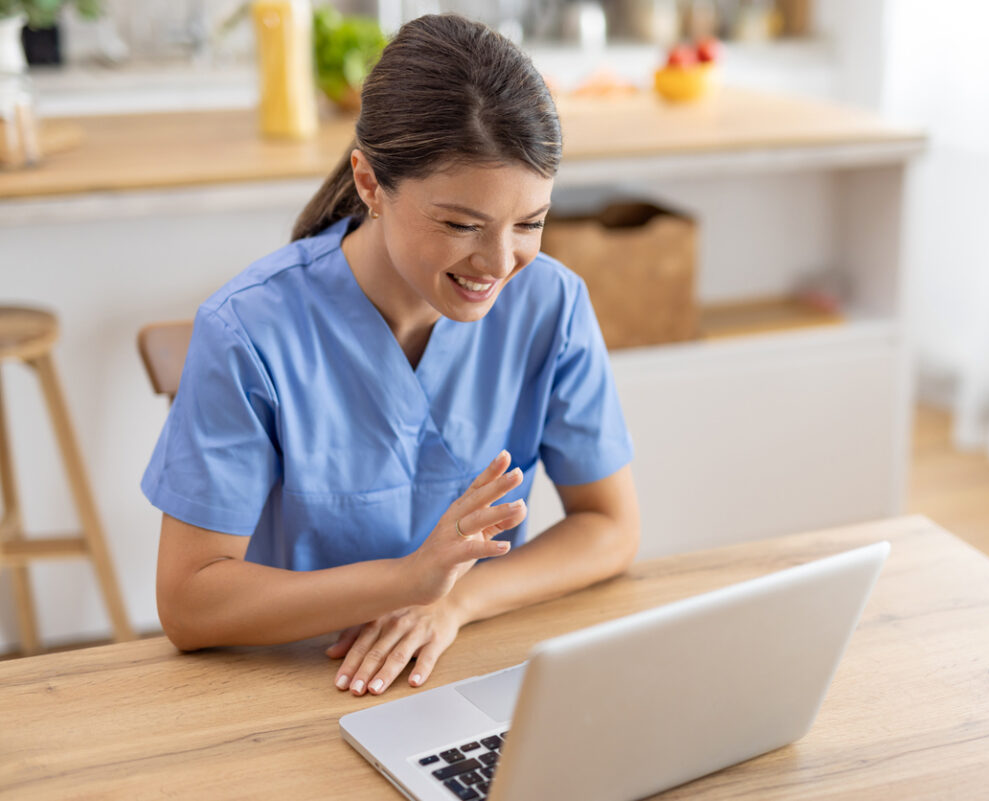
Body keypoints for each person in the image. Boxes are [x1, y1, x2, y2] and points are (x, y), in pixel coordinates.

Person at [143, 14, 639, 698]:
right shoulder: (247, 330)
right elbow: (188, 603)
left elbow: (610, 527)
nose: (500, 263)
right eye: (462, 224)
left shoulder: (551, 305)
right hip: (289, 683)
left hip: (465, 669)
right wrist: (409, 579)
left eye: (529, 223)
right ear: (371, 183)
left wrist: (453, 601)